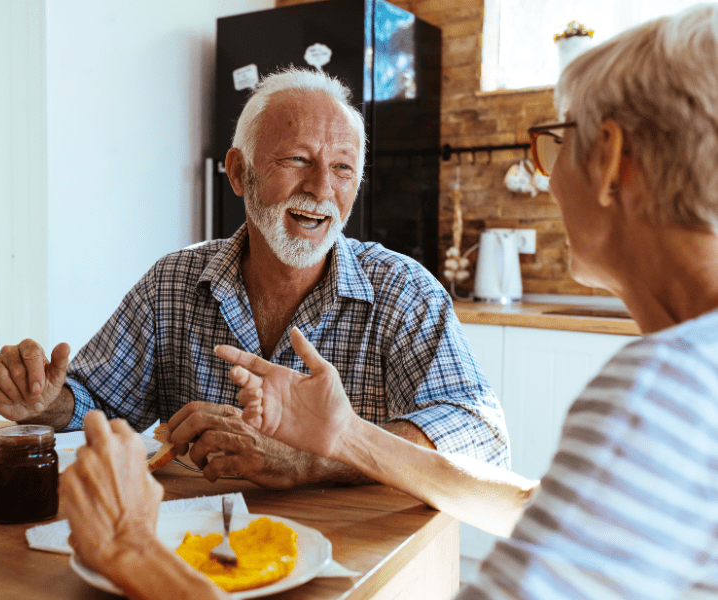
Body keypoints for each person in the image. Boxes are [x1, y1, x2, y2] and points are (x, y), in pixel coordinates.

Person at [61, 6, 718, 599]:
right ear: (240, 172)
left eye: (557, 139)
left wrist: (130, 551)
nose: (546, 174)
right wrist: (345, 436)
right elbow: (533, 505)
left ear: (610, 162)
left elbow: (488, 448)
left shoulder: (663, 389)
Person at [0, 67, 509, 489]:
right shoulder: (173, 284)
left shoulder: (404, 291)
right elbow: (97, 400)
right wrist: (47, 403)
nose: (322, 189)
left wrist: (315, 457)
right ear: (237, 171)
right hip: (198, 555)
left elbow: (481, 436)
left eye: (343, 168)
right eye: (298, 159)